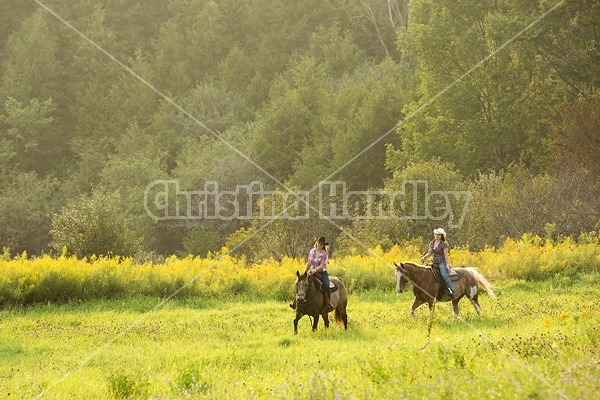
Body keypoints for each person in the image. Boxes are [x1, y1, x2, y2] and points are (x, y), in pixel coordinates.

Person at [290, 236, 335, 312]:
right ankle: (295, 302)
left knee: (326, 285)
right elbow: (309, 262)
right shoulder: (312, 251)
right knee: (301, 283)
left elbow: (322, 265)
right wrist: (305, 272)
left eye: (321, 244)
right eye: (319, 243)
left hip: (321, 272)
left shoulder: (324, 254)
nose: (319, 245)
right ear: (316, 243)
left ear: (323, 245)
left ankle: (328, 304)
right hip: (311, 272)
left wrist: (314, 270)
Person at [420, 228, 455, 298]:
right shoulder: (432, 243)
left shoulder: (444, 244)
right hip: (434, 262)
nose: (437, 236)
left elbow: (446, 255)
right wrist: (424, 257)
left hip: (442, 262)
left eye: (438, 235)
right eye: (436, 234)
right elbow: (429, 253)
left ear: (441, 236)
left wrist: (447, 265)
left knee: (444, 275)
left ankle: (451, 290)